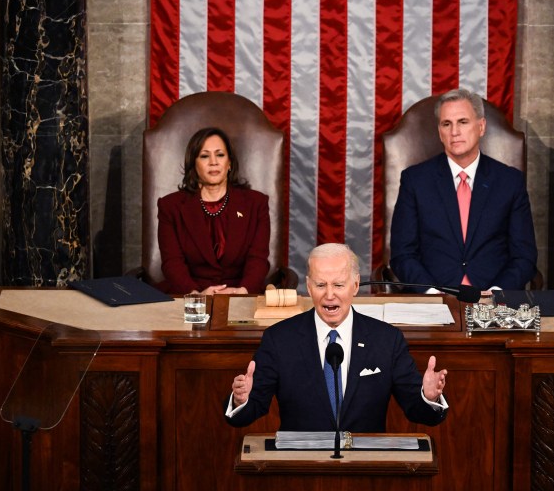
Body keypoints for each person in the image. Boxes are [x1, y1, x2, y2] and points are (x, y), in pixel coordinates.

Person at [224, 243, 448, 432]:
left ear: (356, 285)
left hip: (366, 469)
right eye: (321, 285)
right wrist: (241, 400)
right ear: (309, 287)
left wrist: (429, 397)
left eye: (339, 285)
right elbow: (248, 412)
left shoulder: (386, 340)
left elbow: (418, 410)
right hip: (301, 468)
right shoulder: (280, 339)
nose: (329, 295)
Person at [390, 88, 537, 291]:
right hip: (433, 299)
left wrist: (497, 292)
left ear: (481, 126)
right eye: (446, 124)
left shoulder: (509, 181)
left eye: (463, 122)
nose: (455, 132)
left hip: (492, 300)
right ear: (440, 132)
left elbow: (524, 256)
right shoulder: (415, 180)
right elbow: (402, 254)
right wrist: (431, 293)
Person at [156, 127, 270, 295]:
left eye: (220, 155)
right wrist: (196, 295)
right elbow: (172, 262)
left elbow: (258, 259)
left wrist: (242, 292)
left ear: (229, 162)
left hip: (242, 294)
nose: (213, 162)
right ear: (194, 164)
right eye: (204, 156)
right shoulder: (170, 206)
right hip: (189, 295)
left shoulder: (256, 203)